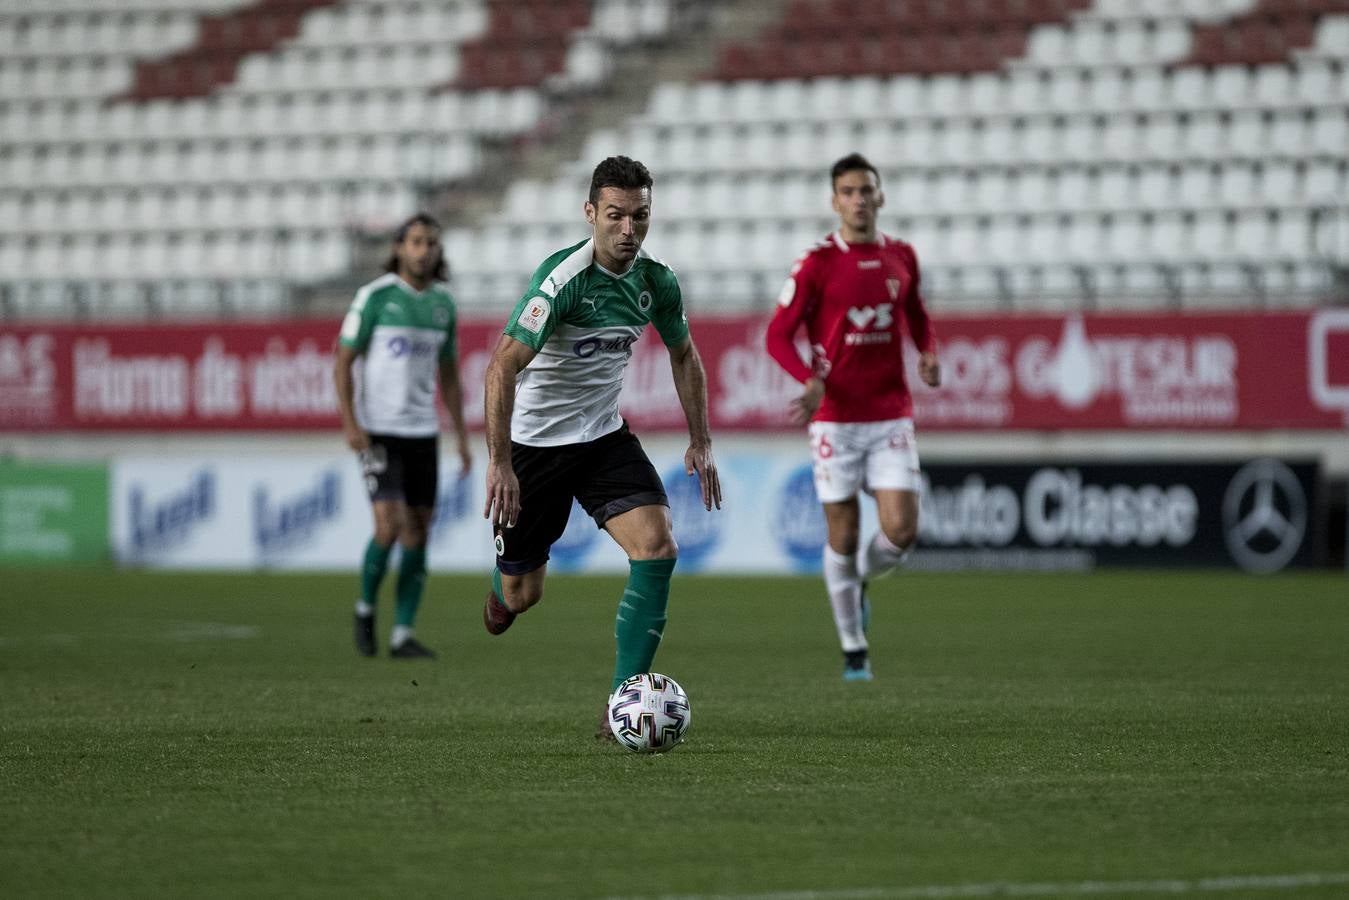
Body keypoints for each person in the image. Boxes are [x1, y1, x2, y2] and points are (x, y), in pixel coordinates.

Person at [481, 155, 722, 739]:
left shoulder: (655, 282)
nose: (628, 230)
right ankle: (500, 592)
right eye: (615, 215)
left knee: (658, 546)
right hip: (535, 447)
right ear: (590, 213)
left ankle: (622, 701)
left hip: (602, 438)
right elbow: (501, 368)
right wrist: (501, 462)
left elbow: (684, 354)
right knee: (523, 593)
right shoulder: (563, 280)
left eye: (640, 216)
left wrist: (700, 440)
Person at [765, 152, 941, 683]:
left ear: (880, 195)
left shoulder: (902, 256)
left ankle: (857, 581)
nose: (859, 199)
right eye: (848, 191)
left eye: (867, 190)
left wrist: (927, 352)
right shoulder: (817, 263)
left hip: (890, 414)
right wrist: (808, 379)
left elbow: (916, 315)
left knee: (901, 532)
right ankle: (853, 648)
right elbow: (777, 335)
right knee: (841, 536)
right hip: (836, 420)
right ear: (835, 200)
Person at [333, 212, 472, 660]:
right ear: (398, 247)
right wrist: (351, 423)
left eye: (431, 242)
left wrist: (462, 437)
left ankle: (402, 634)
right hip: (379, 432)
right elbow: (342, 362)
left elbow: (449, 376)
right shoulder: (374, 297)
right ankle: (365, 606)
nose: (424, 250)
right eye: (415, 242)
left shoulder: (443, 304)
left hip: (422, 433)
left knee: (418, 531)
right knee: (388, 526)